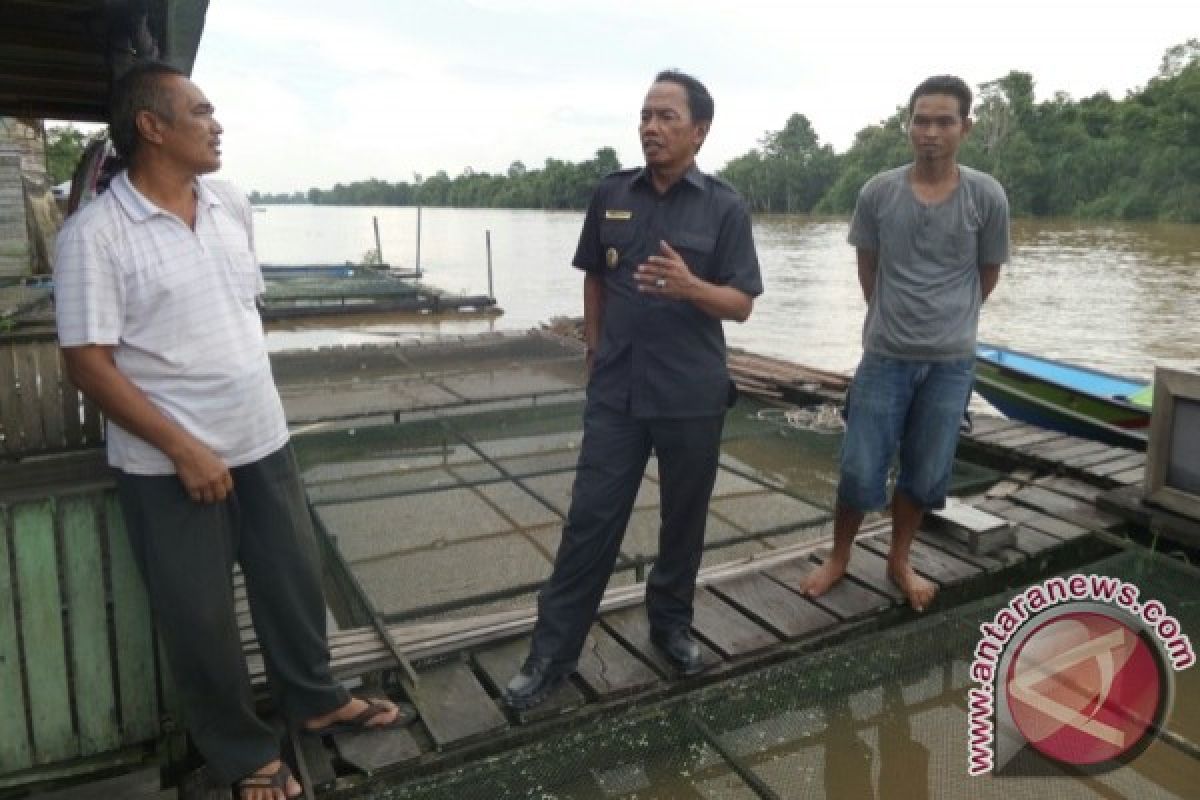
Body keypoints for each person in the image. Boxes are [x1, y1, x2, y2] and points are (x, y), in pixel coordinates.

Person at [53, 61, 409, 800]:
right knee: (202, 617)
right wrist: (184, 448)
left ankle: (314, 699)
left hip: (262, 438)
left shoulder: (229, 203)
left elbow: (236, 316)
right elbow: (88, 364)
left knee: (291, 583)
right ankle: (243, 752)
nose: (218, 125)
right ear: (153, 127)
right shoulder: (97, 235)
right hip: (169, 464)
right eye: (202, 111)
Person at [503, 70, 763, 709]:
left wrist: (692, 289)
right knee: (590, 521)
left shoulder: (725, 206)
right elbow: (594, 276)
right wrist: (594, 346)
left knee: (684, 520)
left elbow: (741, 304)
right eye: (646, 115)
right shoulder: (610, 193)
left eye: (667, 117)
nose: (651, 126)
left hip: (692, 396)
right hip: (616, 392)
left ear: (699, 131)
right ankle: (550, 657)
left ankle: (671, 625)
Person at [801, 75, 1010, 612]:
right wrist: (896, 320)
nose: (931, 132)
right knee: (859, 467)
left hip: (950, 364)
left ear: (966, 127)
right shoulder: (878, 192)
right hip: (885, 357)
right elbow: (868, 271)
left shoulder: (985, 195)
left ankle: (899, 559)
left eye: (944, 121)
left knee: (925, 470)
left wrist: (948, 324)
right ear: (908, 125)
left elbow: (987, 275)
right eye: (921, 120)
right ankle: (840, 556)